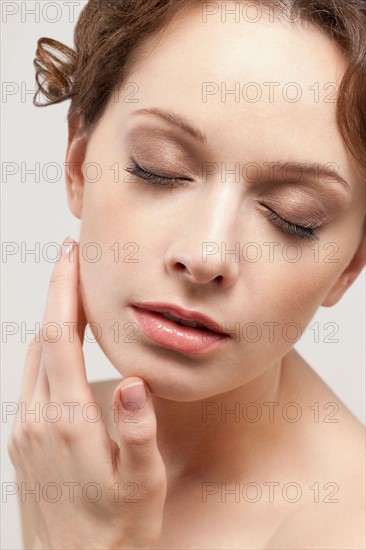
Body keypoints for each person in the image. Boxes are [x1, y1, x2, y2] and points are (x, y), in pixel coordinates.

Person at [8, 0, 366, 548]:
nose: (205, 254)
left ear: (350, 266)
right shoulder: (55, 446)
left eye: (293, 217)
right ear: (79, 163)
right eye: (159, 167)